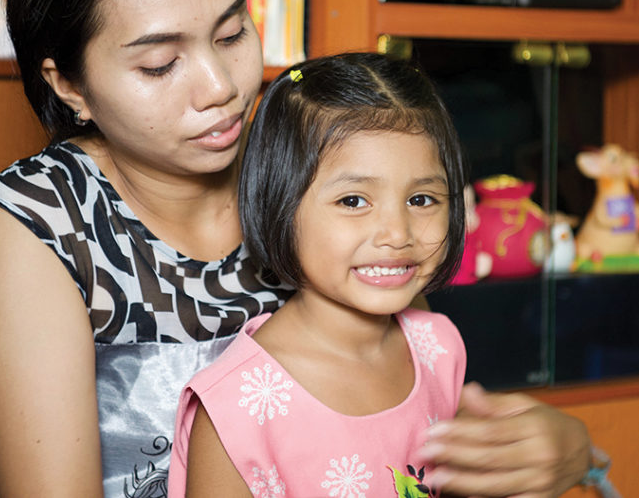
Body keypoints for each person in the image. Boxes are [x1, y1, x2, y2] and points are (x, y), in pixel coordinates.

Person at [0, 0, 595, 498]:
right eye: (159, 64)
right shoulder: (39, 220)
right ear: (68, 84)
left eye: (233, 33)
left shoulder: (304, 159)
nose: (222, 87)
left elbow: (406, 421)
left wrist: (569, 454)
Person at [168, 52, 468, 497]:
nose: (397, 234)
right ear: (280, 207)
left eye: (422, 199)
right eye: (353, 201)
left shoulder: (438, 349)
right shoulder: (239, 406)